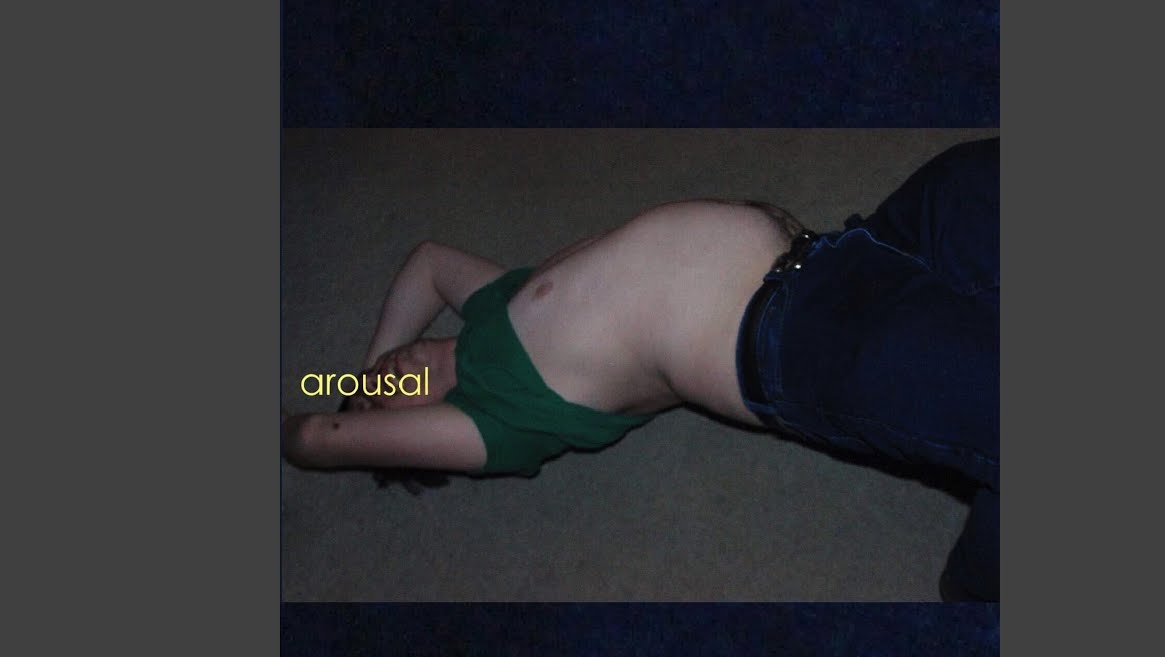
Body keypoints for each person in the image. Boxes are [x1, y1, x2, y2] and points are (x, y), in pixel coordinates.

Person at [282, 137, 999, 600]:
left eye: (374, 385)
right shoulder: (494, 420)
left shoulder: (493, 311)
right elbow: (315, 435)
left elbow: (429, 261)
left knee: (981, 177)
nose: (384, 383)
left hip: (860, 250)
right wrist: (344, 408)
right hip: (806, 342)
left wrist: (363, 371)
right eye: (384, 400)